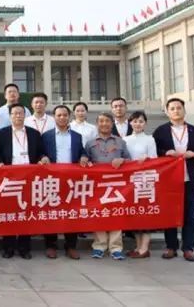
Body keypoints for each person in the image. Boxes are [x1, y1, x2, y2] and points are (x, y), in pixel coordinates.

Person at [153, 98, 194, 262]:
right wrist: (165, 153)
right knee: (169, 214)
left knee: (189, 215)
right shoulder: (160, 131)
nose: (176, 111)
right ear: (167, 112)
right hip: (169, 179)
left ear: (184, 110)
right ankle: (171, 247)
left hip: (189, 178)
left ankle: (188, 248)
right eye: (172, 108)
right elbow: (154, 151)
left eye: (179, 108)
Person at [0, 103, 45, 259]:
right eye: (15, 113)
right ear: (10, 116)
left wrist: (43, 158)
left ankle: (24, 248)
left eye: (20, 113)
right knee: (8, 213)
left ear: (25, 115)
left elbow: (40, 153)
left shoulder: (34, 133)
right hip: (9, 178)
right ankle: (8, 247)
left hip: (29, 178)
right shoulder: (1, 134)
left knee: (25, 213)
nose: (18, 116)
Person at [40, 105, 89, 260]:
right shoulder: (46, 136)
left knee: (71, 213)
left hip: (71, 180)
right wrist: (43, 157)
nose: (62, 118)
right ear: (54, 117)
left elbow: (82, 151)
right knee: (51, 213)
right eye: (59, 115)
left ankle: (71, 246)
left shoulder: (76, 136)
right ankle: (51, 245)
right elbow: (40, 152)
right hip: (52, 180)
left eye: (65, 115)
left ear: (69, 116)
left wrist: (84, 156)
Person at [85, 112, 131, 260]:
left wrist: (122, 160)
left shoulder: (120, 142)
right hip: (97, 185)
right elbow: (85, 160)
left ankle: (116, 248)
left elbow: (129, 160)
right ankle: (99, 246)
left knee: (116, 214)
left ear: (112, 124)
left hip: (117, 185)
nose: (104, 124)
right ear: (97, 124)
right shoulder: (90, 143)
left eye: (107, 121)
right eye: (101, 121)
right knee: (99, 214)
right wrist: (85, 161)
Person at [123, 110, 158, 259]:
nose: (138, 124)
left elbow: (155, 159)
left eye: (141, 121)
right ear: (130, 123)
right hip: (130, 182)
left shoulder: (150, 139)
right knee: (134, 215)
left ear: (145, 123)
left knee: (145, 214)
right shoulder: (125, 139)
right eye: (135, 121)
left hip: (145, 181)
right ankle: (138, 247)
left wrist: (147, 158)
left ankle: (144, 248)